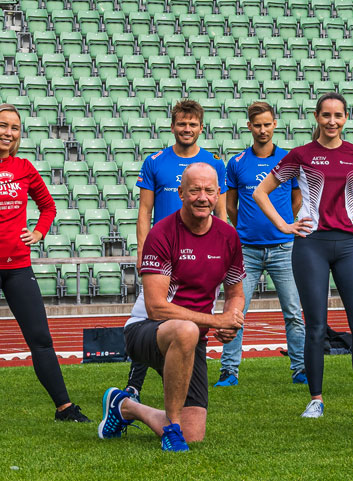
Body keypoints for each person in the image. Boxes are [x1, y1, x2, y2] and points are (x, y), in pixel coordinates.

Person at [253, 92, 353, 418]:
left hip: (347, 245)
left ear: (345, 118)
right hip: (310, 245)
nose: (332, 121)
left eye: (338, 116)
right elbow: (261, 191)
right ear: (316, 117)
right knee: (315, 325)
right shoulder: (301, 155)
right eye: (326, 115)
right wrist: (285, 225)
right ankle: (316, 400)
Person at [97, 163, 245, 452]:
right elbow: (156, 308)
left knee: (194, 435)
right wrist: (216, 322)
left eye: (209, 191)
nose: (202, 197)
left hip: (192, 337)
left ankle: (124, 406)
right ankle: (171, 429)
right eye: (194, 190)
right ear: (180, 193)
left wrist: (233, 318)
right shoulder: (162, 233)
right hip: (145, 331)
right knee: (187, 329)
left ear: (218, 195)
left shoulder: (228, 236)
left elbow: (235, 293)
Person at [0, 104, 87, 426]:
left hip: (18, 268)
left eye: (14, 128)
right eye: (3, 126)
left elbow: (48, 206)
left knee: (41, 337)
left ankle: (64, 407)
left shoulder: (24, 167)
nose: (8, 133)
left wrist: (39, 233)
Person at [127, 99, 228, 395]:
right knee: (150, 315)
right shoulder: (155, 161)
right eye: (181, 124)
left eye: (192, 124)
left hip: (200, 254)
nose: (187, 129)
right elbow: (145, 211)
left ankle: (187, 379)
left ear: (200, 127)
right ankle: (134, 386)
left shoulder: (214, 164)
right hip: (163, 254)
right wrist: (143, 251)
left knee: (195, 311)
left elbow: (221, 215)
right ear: (172, 127)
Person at [214, 101, 305, 387]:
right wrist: (249, 226)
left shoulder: (289, 160)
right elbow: (231, 206)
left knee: (293, 311)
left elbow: (297, 200)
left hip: (284, 248)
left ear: (275, 124)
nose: (263, 129)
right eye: (257, 125)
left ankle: (301, 369)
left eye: (267, 124)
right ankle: (229, 371)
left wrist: (281, 223)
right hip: (246, 251)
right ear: (249, 127)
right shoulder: (237, 162)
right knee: (236, 312)